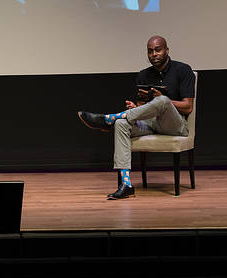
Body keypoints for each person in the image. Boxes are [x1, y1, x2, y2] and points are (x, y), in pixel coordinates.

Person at [77, 35, 196, 199]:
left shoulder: (183, 70)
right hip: (150, 123)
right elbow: (143, 108)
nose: (154, 54)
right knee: (121, 124)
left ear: (167, 51)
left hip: (175, 127)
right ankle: (126, 185)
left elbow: (188, 107)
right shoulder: (143, 75)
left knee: (162, 100)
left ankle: (108, 118)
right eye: (150, 51)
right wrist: (135, 108)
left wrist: (162, 100)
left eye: (158, 50)